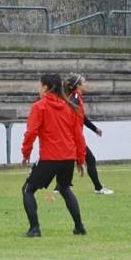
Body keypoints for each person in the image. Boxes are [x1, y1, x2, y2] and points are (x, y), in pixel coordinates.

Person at [19, 72, 88, 238]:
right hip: (68, 157)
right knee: (64, 188)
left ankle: (34, 229)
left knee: (28, 189)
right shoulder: (69, 107)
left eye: (40, 86)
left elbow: (31, 132)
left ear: (46, 87)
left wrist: (26, 152)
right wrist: (80, 159)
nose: (38, 89)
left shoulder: (39, 106)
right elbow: (78, 135)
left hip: (50, 157)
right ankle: (79, 227)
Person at [63, 72, 111, 195]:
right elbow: (67, 118)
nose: (86, 84)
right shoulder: (74, 99)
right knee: (90, 160)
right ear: (78, 85)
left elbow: (82, 118)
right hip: (73, 137)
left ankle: (59, 187)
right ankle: (98, 188)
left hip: (71, 136)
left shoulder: (76, 98)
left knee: (64, 162)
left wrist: (95, 129)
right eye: (84, 82)